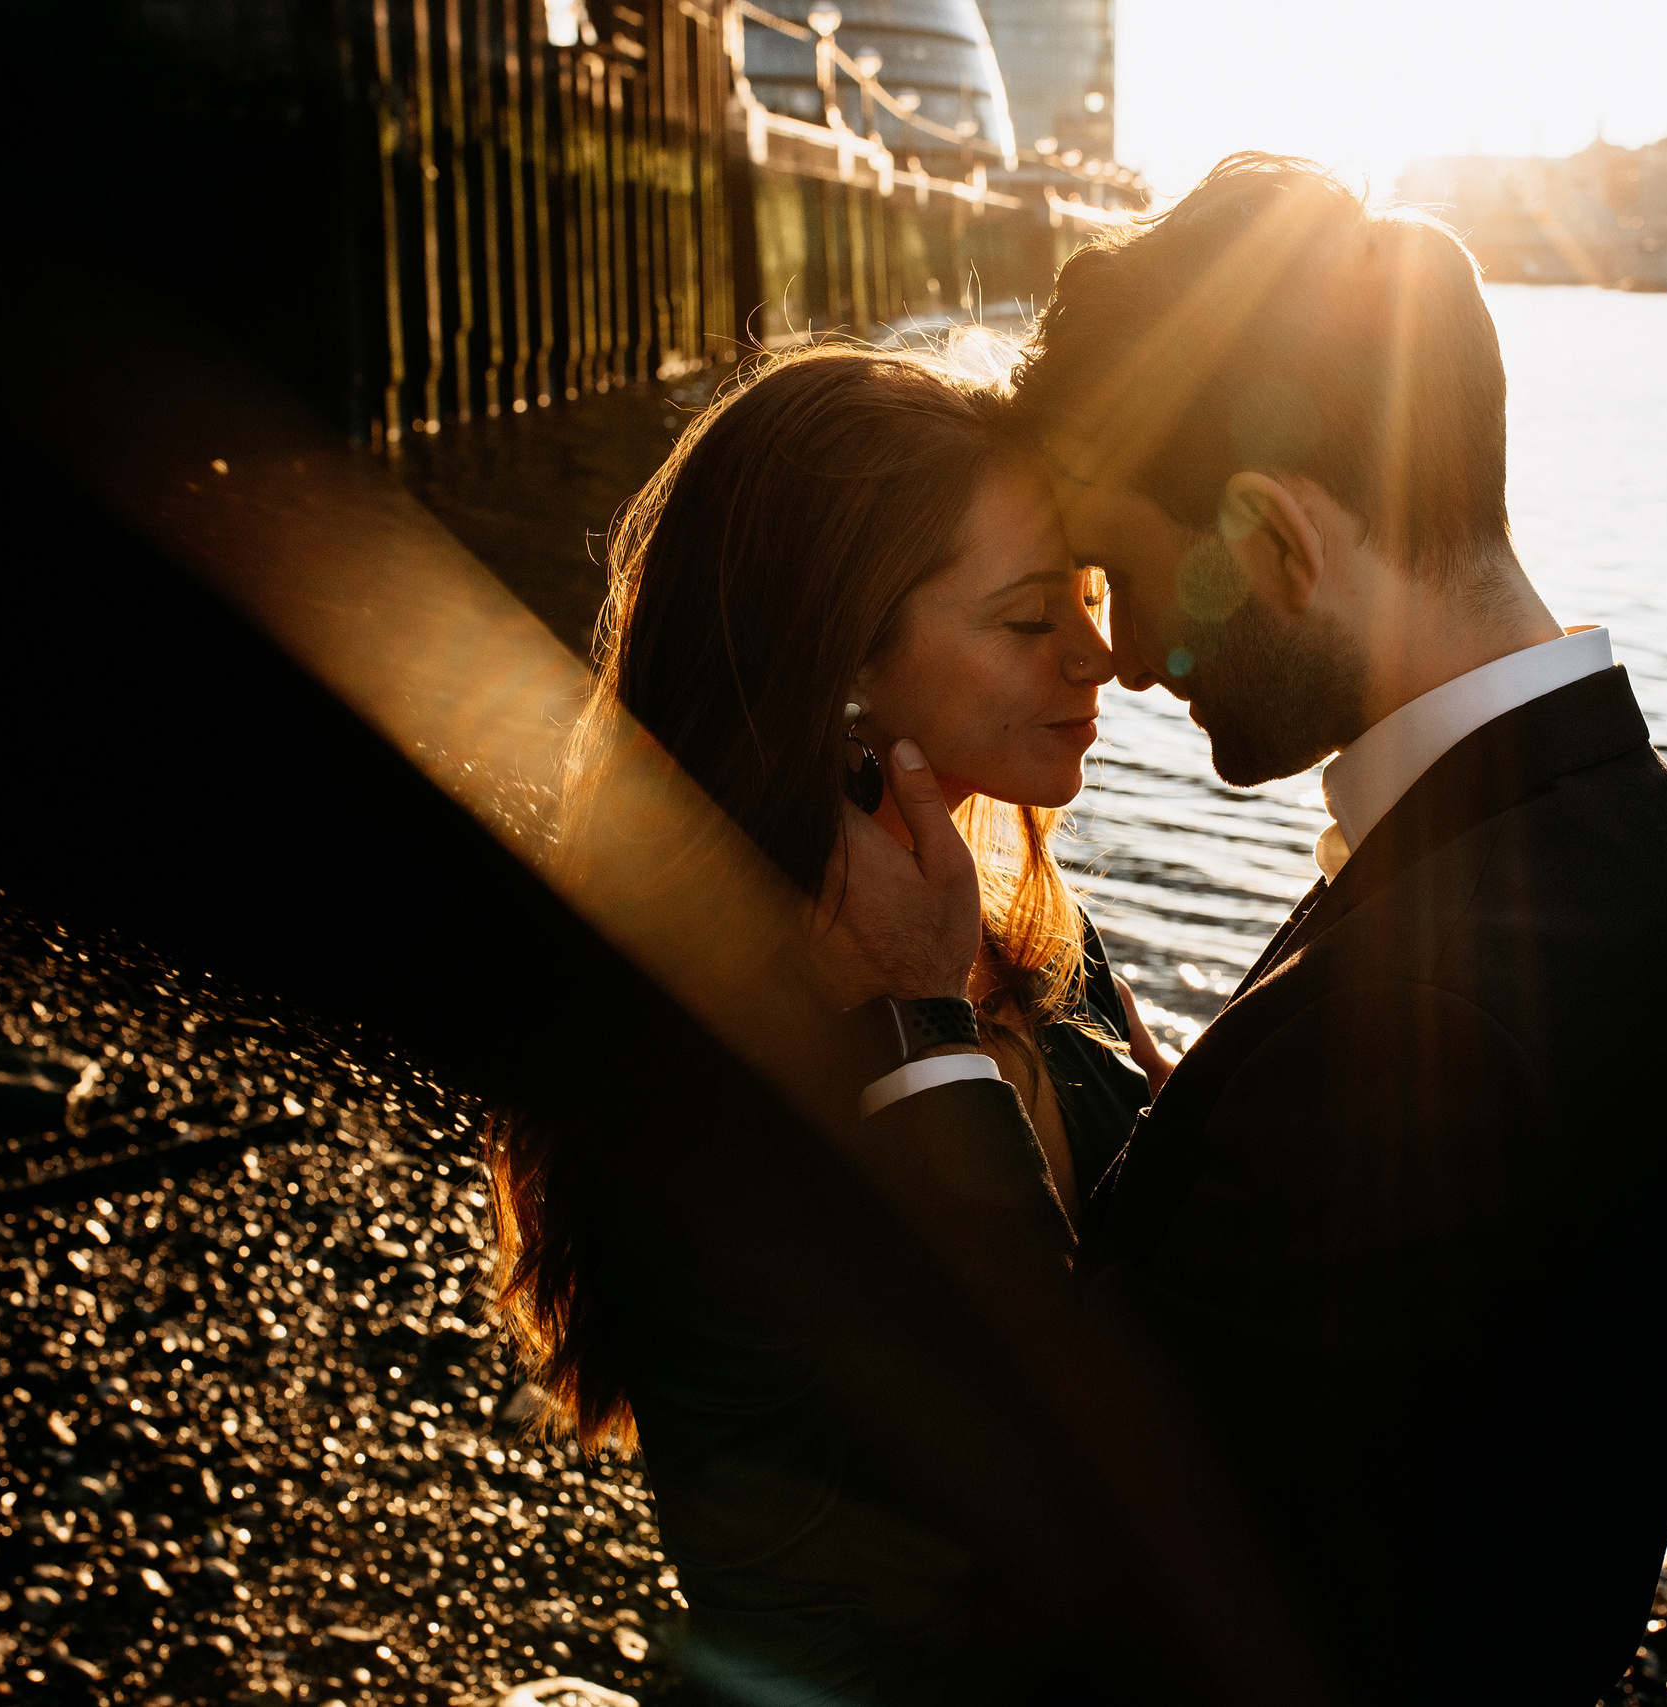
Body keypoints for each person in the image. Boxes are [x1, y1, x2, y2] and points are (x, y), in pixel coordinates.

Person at [832, 156, 1667, 1702]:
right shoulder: (1623, 856)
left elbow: (1084, 1509)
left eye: (1132, 578)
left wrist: (926, 1030)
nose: (1132, 655)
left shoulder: (1429, 1008)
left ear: (1276, 540)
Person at [485, 345, 1167, 1702]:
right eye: (1031, 618)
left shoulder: (1012, 923)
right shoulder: (714, 1064)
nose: (1104, 659)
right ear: (841, 655)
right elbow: (785, 1611)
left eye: (1089, 598)